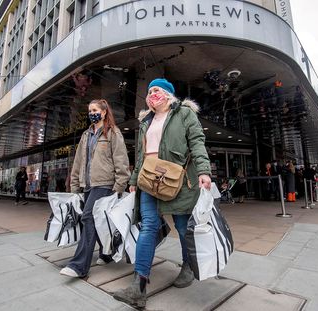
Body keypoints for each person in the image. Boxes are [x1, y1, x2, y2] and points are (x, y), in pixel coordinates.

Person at [113, 78, 211, 308]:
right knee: (148, 226)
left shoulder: (184, 114)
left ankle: (188, 266)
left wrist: (204, 170)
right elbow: (141, 154)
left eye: (156, 90)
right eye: (149, 91)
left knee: (182, 227)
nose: (151, 94)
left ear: (168, 94)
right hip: (149, 180)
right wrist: (134, 180)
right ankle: (138, 286)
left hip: (176, 180)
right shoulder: (146, 121)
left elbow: (197, 141)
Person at [59, 98, 130, 278]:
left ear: (104, 112)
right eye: (90, 110)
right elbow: (78, 162)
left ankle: (79, 266)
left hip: (105, 183)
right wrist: (74, 186)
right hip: (88, 185)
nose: (92, 113)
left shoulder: (113, 133)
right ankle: (106, 254)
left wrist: (119, 186)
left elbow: (121, 161)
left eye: (95, 110)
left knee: (88, 217)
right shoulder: (86, 135)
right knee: (99, 220)